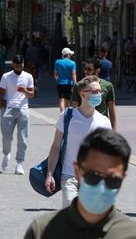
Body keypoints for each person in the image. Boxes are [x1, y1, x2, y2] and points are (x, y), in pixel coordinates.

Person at [45, 75, 112, 207]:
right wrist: (49, 174)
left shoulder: (104, 121)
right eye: (94, 92)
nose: (98, 94)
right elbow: (56, 146)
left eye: (100, 91)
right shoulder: (67, 116)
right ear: (83, 94)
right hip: (69, 175)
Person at [0, 55, 35, 175]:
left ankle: (19, 163)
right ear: (13, 64)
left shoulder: (28, 77)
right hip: (9, 108)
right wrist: (2, 108)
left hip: (23, 109)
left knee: (23, 138)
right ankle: (6, 154)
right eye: (17, 65)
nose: (19, 67)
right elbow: (1, 93)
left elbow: (31, 94)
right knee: (7, 137)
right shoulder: (6, 76)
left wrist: (25, 91)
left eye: (21, 65)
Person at [70, 57, 117, 130]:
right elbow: (74, 108)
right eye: (85, 68)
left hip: (102, 127)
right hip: (84, 126)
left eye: (89, 69)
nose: (85, 71)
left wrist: (114, 131)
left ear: (97, 71)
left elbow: (112, 110)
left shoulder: (108, 86)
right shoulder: (78, 86)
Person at [53, 47, 77, 112]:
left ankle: (62, 114)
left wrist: (57, 80)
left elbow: (55, 73)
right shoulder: (73, 63)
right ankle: (65, 114)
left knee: (61, 100)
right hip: (69, 83)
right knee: (67, 100)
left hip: (60, 83)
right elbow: (73, 74)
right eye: (70, 54)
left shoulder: (57, 62)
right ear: (68, 54)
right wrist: (75, 84)